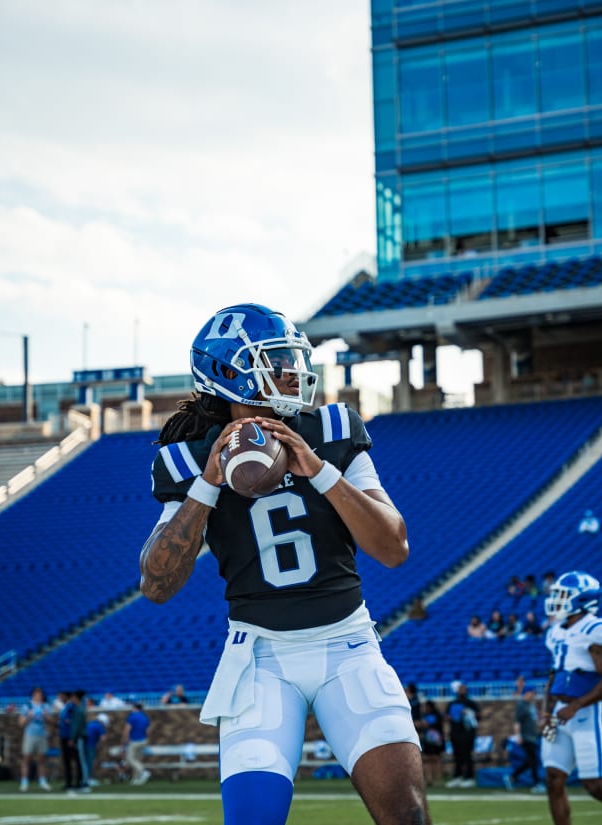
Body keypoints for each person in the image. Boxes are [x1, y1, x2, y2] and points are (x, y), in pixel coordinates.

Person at [139, 303, 431, 825]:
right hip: (260, 658)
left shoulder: (334, 430)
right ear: (231, 373)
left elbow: (393, 547)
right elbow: (156, 584)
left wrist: (318, 471)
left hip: (349, 645)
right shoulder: (185, 460)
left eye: (293, 360)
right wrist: (208, 483)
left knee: (408, 819)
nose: (293, 373)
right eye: (275, 362)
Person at [540, 570, 602, 825]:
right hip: (560, 712)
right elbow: (553, 676)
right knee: (553, 778)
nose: (557, 599)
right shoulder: (556, 632)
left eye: (563, 595)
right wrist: (546, 712)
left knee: (594, 785)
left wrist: (575, 706)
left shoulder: (595, 629)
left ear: (583, 599)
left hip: (587, 713)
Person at [504, 686, 544, 793]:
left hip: (533, 735)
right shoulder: (521, 705)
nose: (533, 695)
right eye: (532, 693)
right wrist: (518, 736)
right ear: (526, 693)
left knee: (530, 761)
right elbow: (517, 721)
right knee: (533, 760)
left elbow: (535, 720)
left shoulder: (532, 706)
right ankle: (536, 784)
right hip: (526, 736)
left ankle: (512, 777)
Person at [445, 681, 480, 788]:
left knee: (467, 755)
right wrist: (449, 717)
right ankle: (457, 776)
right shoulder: (452, 703)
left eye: (463, 689)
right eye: (460, 689)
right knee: (457, 755)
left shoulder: (471, 703)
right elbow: (446, 716)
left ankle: (469, 777)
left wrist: (468, 713)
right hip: (455, 733)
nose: (461, 691)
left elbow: (478, 716)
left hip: (468, 733)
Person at [18, 686, 52, 792]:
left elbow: (52, 721)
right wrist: (29, 716)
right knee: (27, 758)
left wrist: (47, 716)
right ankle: (24, 782)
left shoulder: (45, 706)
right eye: (37, 694)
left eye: (41, 694)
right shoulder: (27, 706)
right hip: (30, 735)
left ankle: (42, 781)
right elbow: (21, 723)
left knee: (42, 759)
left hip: (41, 735)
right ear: (33, 695)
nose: (39, 696)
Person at [122, 701, 151, 785]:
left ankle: (143, 771)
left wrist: (125, 739)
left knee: (130, 758)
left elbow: (127, 729)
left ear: (135, 708)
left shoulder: (132, 716)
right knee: (137, 759)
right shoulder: (145, 717)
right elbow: (148, 731)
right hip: (144, 740)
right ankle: (136, 779)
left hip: (135, 740)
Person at [420, 699, 445, 786]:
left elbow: (439, 727)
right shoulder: (424, 715)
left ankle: (438, 779)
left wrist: (428, 725)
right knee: (426, 759)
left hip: (435, 740)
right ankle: (428, 780)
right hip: (426, 740)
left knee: (436, 759)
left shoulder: (437, 715)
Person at [86, 713, 109, 786]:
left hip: (84, 745)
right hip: (90, 745)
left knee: (86, 762)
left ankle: (85, 778)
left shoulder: (91, 723)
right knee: (90, 762)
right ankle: (89, 779)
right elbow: (103, 738)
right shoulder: (99, 726)